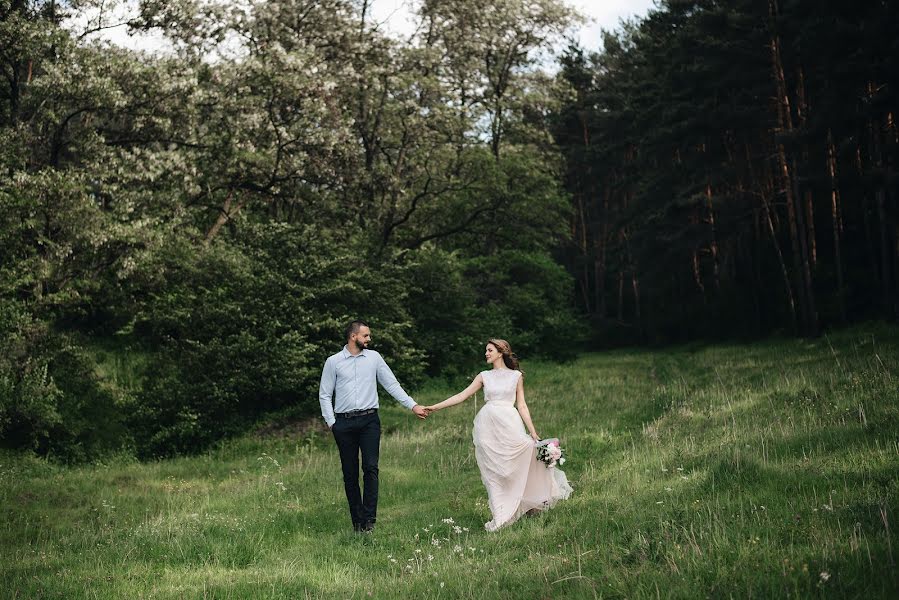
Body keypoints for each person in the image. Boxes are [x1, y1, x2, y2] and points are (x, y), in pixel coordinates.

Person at [423, 339, 572, 531]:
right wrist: (434, 407)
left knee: (519, 460)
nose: (486, 353)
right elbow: (462, 395)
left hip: (510, 424)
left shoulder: (516, 376)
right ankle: (501, 515)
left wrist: (533, 432)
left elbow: (522, 405)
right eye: (486, 350)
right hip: (488, 427)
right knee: (494, 471)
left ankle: (530, 503)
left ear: (500, 352)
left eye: (489, 350)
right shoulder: (484, 376)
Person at [319, 320, 428, 533]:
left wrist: (412, 405)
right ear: (353, 337)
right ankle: (357, 522)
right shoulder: (333, 362)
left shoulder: (374, 358)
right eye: (366, 335)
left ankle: (369, 520)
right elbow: (324, 394)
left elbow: (391, 384)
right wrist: (332, 423)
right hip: (344, 423)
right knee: (350, 473)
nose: (369, 339)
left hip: (370, 421)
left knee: (370, 468)